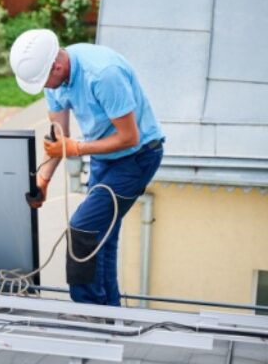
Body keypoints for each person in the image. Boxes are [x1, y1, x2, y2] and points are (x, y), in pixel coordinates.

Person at [9, 29, 164, 306]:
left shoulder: (103, 75)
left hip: (138, 157)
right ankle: (110, 317)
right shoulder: (55, 81)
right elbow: (60, 136)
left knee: (83, 230)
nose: (46, 86)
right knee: (101, 240)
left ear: (57, 65)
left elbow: (129, 137)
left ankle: (88, 313)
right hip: (106, 158)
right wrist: (43, 181)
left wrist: (75, 148)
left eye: (45, 80)